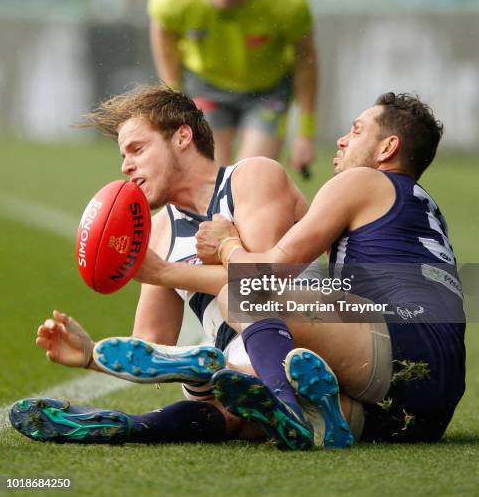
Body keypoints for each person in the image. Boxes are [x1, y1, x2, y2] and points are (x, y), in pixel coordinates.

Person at [11, 84, 338, 451]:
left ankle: (205, 375)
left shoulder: (251, 177)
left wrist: (165, 272)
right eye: (123, 155)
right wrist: (91, 355)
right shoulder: (158, 231)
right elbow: (151, 345)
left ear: (182, 136)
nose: (125, 166)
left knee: (233, 348)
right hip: (239, 367)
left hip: (311, 335)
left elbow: (262, 282)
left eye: (137, 149)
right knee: (231, 412)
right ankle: (134, 425)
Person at [194, 92, 466, 444]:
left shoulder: (361, 181)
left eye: (356, 131)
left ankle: (271, 395)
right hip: (430, 408)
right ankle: (141, 423)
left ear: (388, 148)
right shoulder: (422, 207)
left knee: (241, 296)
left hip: (402, 341)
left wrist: (226, 244)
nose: (341, 139)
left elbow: (267, 272)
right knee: (245, 412)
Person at [147, 0, 319, 172]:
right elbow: (164, 39)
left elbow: (306, 63)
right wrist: (175, 106)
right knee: (213, 178)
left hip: (267, 91)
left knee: (250, 175)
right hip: (206, 86)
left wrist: (304, 134)